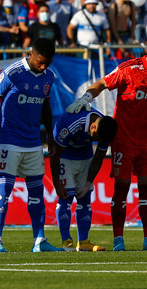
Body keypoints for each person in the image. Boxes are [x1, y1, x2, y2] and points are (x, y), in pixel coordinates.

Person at [65, 40, 147, 251]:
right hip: (124, 140)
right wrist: (87, 97)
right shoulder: (129, 69)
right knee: (121, 189)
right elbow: (102, 83)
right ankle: (118, 240)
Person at [0, 38, 64, 253]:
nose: (44, 66)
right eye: (40, 62)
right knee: (4, 189)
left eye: (48, 62)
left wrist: (50, 137)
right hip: (9, 140)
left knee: (37, 191)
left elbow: (46, 107)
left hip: (33, 142)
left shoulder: (49, 77)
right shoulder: (13, 72)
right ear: (31, 54)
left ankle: (39, 240)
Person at [50, 105, 118, 252]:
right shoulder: (71, 123)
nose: (97, 140)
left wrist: (88, 183)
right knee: (66, 197)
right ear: (92, 126)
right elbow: (55, 154)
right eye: (96, 137)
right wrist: (56, 183)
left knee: (85, 199)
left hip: (85, 157)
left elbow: (98, 158)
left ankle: (84, 242)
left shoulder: (104, 128)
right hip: (65, 157)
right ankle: (66, 241)